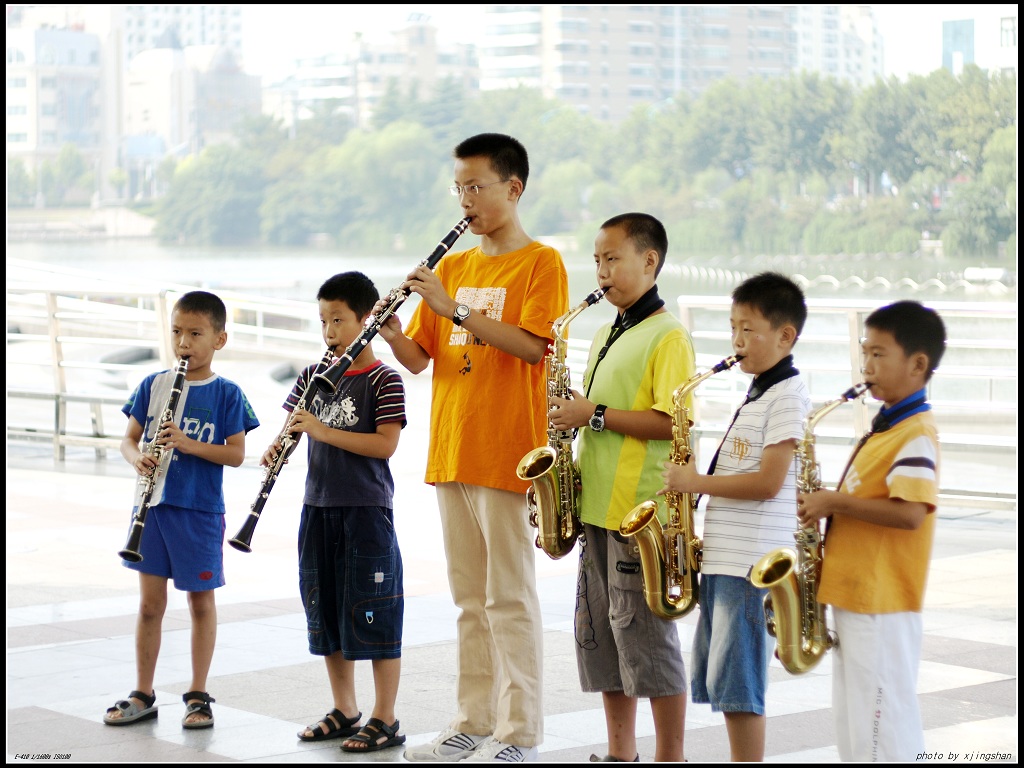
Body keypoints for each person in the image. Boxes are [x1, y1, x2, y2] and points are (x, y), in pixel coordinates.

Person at [377, 132, 569, 763]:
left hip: (508, 451)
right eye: (459, 188)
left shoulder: (542, 263)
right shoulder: (454, 267)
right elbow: (418, 361)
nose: (466, 200)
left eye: (476, 186)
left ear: (513, 188)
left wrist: (452, 308)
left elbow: (533, 347)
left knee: (509, 597)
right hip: (452, 450)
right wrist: (393, 327)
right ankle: (472, 721)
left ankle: (519, 733)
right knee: (468, 600)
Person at [548, 212, 696, 763]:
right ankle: (619, 754)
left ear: (649, 262)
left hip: (641, 514)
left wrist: (594, 414)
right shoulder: (611, 330)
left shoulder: (669, 335)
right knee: (603, 641)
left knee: (649, 642)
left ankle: (670, 757)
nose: (602, 271)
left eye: (613, 259)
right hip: (595, 507)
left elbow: (673, 423)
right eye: (596, 260)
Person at [660, 271, 812, 762]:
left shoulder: (787, 395)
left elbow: (769, 482)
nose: (736, 341)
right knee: (727, 684)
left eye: (748, 329)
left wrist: (695, 483)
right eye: (732, 328)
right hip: (729, 561)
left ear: (786, 336)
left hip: (751, 564)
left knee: (741, 688)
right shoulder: (759, 393)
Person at [797, 300, 946, 762]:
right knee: (858, 724)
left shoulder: (915, 433)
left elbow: (910, 514)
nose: (867, 366)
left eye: (879, 355)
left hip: (881, 601)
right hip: (859, 594)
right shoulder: (888, 429)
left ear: (918, 365)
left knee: (883, 725)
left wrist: (834, 502)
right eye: (865, 353)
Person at [104, 290, 260, 729]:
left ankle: (197, 693)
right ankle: (143, 691)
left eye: (195, 333)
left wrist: (187, 444)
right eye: (177, 332)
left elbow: (235, 454)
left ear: (220, 339)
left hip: (200, 511)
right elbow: (128, 439)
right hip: (151, 507)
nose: (184, 343)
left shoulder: (228, 394)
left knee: (200, 604)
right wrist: (138, 459)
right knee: (150, 605)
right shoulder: (153, 385)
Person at [268, 272, 409, 753]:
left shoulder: (383, 378)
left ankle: (384, 717)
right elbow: (292, 425)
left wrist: (322, 431)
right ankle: (345, 709)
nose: (330, 332)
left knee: (375, 612)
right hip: (318, 507)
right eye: (323, 321)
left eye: (339, 321)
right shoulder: (313, 376)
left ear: (366, 319)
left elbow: (385, 446)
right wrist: (276, 447)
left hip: (366, 512)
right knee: (324, 608)